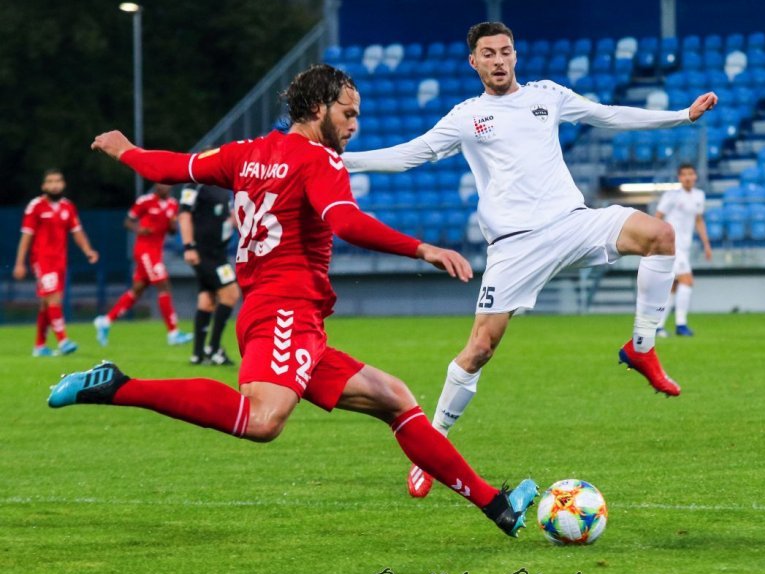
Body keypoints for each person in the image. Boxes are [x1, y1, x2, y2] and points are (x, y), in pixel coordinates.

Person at [49, 64, 537, 538]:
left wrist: (127, 151)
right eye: (348, 113)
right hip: (285, 309)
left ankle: (496, 505)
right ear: (318, 107)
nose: (354, 125)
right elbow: (345, 222)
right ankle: (118, 385)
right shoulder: (319, 161)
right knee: (263, 419)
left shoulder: (247, 152)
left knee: (394, 398)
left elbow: (176, 167)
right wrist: (422, 247)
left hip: (281, 311)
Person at [343, 21, 717, 498]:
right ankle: (431, 447)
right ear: (473, 62)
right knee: (479, 349)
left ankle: (642, 346)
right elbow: (410, 156)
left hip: (571, 222)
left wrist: (682, 116)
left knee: (660, 235)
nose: (498, 60)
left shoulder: (548, 95)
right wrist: (341, 160)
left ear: (515, 56)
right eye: (488, 53)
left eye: (505, 51)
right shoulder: (466, 116)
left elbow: (608, 115)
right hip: (514, 246)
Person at [12, 169, 99, 356]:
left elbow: (77, 232)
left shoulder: (68, 207)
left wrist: (88, 250)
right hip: (42, 260)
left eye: (58, 180)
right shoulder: (36, 206)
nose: (54, 184)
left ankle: (39, 346)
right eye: (50, 181)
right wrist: (20, 263)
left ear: (63, 184)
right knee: (53, 298)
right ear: (44, 186)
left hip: (60, 261)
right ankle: (63, 340)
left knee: (46, 303)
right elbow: (26, 237)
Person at [94, 185, 193, 346]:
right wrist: (139, 229)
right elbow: (128, 221)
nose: (164, 186)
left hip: (156, 251)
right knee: (164, 285)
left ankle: (105, 321)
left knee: (137, 290)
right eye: (160, 183)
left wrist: (172, 224)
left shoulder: (173, 204)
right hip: (145, 251)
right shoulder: (145, 201)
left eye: (167, 183)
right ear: (155, 184)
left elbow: (172, 231)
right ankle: (173, 332)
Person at [178, 183, 239, 365]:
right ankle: (213, 349)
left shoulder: (223, 188)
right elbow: (184, 214)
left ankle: (197, 354)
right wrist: (189, 246)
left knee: (207, 299)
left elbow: (229, 217)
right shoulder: (195, 185)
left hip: (218, 253)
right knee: (231, 293)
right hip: (205, 253)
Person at [654, 163, 712, 337]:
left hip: (684, 248)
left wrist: (706, 243)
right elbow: (658, 217)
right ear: (679, 177)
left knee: (672, 287)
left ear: (695, 176)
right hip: (672, 246)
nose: (688, 177)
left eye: (691, 174)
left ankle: (658, 326)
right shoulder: (671, 196)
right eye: (684, 174)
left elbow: (699, 220)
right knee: (687, 281)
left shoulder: (699, 196)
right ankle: (681, 324)